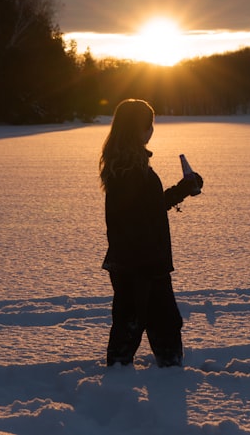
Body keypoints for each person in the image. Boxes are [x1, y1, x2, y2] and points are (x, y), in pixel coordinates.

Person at [99, 98, 204, 367]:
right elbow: (134, 220)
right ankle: (156, 384)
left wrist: (182, 189)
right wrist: (148, 265)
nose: (152, 130)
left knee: (140, 325)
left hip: (135, 262)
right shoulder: (131, 171)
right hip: (142, 264)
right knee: (144, 326)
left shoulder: (125, 164)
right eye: (149, 124)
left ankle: (126, 383)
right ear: (138, 128)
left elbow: (149, 209)